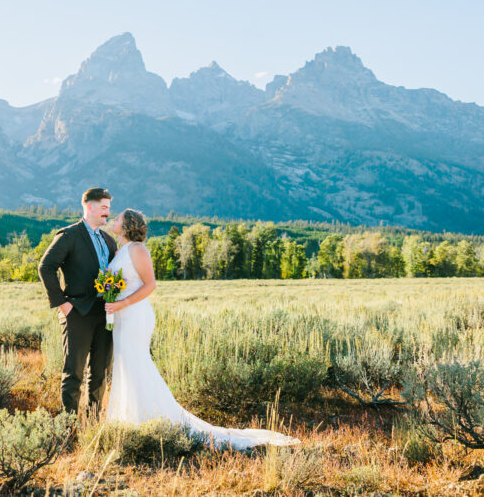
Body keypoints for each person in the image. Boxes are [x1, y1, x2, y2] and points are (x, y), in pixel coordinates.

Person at [103, 208, 299, 449]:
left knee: (137, 365)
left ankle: (155, 422)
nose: (113, 220)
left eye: (117, 219)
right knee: (125, 367)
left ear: (127, 226)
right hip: (121, 317)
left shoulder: (137, 249)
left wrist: (121, 303)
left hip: (134, 315)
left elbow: (150, 284)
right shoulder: (120, 250)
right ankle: (130, 422)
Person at [38, 187, 118, 415]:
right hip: (77, 314)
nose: (107, 213)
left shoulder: (109, 241)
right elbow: (45, 267)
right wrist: (62, 303)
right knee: (74, 373)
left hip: (105, 314)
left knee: (100, 372)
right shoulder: (69, 235)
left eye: (109, 209)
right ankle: (70, 427)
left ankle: (93, 424)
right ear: (89, 207)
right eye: (104, 208)